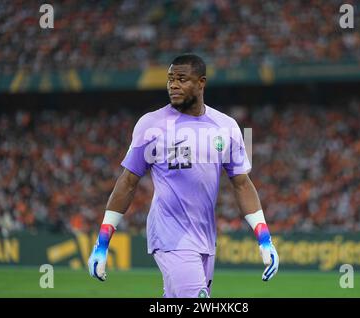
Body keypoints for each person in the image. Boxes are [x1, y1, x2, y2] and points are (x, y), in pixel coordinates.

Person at [87, 54, 279, 298]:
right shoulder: (151, 125)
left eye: (181, 79)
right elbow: (127, 182)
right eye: (170, 79)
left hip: (205, 238)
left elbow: (242, 184)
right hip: (170, 236)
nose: (173, 85)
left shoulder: (227, 127)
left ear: (201, 83)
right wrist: (102, 243)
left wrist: (264, 239)